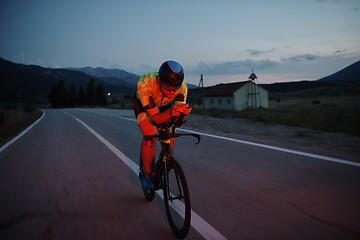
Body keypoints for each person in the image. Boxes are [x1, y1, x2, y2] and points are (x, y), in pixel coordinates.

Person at [132, 60, 192, 191]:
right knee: (150, 135)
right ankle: (147, 174)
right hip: (143, 107)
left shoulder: (182, 87)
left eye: (174, 88)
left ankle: (162, 170)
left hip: (164, 105)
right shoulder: (145, 83)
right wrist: (171, 112)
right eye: (168, 88)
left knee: (170, 139)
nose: (171, 92)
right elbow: (155, 119)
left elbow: (177, 114)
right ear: (160, 81)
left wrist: (181, 117)